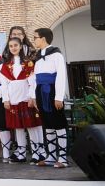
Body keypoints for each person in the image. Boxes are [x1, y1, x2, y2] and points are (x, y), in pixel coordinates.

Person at [0, 37, 45, 164]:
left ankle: (37, 153)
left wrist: (32, 97)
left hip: (26, 99)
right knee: (17, 127)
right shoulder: (6, 66)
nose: (13, 48)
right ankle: (21, 153)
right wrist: (6, 100)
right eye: (11, 46)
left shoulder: (28, 63)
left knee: (31, 126)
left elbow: (32, 83)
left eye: (15, 45)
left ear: (20, 46)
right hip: (13, 100)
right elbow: (4, 85)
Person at [30, 28, 69, 168]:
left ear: (44, 38)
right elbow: (35, 78)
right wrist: (34, 96)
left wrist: (59, 97)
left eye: (35, 37)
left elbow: (60, 76)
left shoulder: (56, 55)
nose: (34, 40)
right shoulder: (38, 57)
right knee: (47, 123)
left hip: (52, 91)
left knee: (58, 122)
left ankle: (63, 158)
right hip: (41, 91)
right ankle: (51, 156)